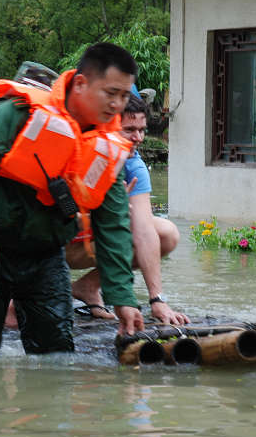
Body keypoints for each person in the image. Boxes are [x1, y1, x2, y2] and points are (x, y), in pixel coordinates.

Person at [0, 43, 146, 355]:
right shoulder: (19, 113)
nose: (118, 104)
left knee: (57, 356)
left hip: (45, 255)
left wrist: (123, 297)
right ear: (81, 83)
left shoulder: (108, 146)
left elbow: (114, 223)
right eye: (111, 93)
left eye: (124, 95)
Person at [65, 91, 189, 325]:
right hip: (54, 242)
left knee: (166, 233)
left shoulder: (134, 164)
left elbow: (144, 230)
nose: (139, 138)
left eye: (142, 130)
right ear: (109, 126)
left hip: (89, 244)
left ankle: (88, 287)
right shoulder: (80, 145)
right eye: (130, 130)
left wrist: (157, 299)